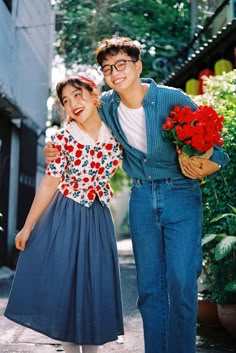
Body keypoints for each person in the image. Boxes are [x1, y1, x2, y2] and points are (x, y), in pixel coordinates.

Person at [44, 37, 229, 353]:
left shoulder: (174, 99)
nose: (115, 73)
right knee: (149, 290)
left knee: (183, 282)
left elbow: (216, 148)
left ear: (137, 65)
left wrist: (203, 166)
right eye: (107, 68)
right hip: (142, 199)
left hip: (181, 194)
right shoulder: (108, 106)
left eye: (121, 65)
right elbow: (80, 118)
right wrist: (54, 147)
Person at [4, 75, 124, 353]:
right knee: (68, 290)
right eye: (66, 101)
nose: (73, 104)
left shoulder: (116, 133)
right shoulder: (62, 139)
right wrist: (27, 226)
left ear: (95, 95)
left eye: (78, 95)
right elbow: (49, 183)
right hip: (65, 215)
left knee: (93, 288)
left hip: (98, 218)